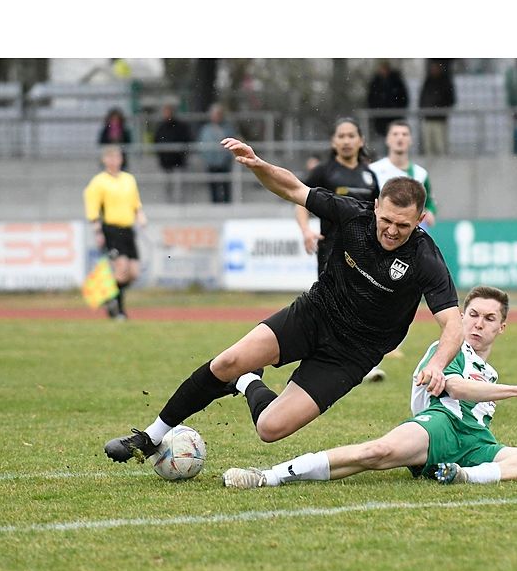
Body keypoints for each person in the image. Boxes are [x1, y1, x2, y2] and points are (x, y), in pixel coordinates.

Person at [103, 137, 463, 464]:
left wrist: (437, 364)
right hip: (316, 313)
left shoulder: (425, 258)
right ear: (375, 206)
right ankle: (151, 436)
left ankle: (246, 382)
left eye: (403, 225)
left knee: (270, 428)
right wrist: (259, 165)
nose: (391, 230)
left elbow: (453, 324)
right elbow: (292, 188)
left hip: (353, 354)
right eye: (386, 220)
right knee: (228, 360)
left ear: (420, 219)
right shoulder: (354, 215)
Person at [222, 285, 517, 489]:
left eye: (489, 319)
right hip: (438, 426)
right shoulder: (448, 349)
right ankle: (268, 476)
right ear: (461, 317)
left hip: (476, 444)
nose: (478, 324)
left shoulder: (490, 371)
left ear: (501, 328)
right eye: (472, 315)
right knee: (374, 452)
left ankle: (465, 476)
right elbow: (455, 388)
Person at [295, 117, 386, 381]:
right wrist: (306, 230)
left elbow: (380, 210)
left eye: (351, 136)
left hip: (364, 251)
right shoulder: (323, 172)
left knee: (364, 304)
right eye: (341, 136)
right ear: (334, 142)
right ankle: (321, 357)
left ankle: (362, 362)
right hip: (332, 250)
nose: (346, 141)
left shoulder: (369, 175)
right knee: (331, 305)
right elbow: (299, 199)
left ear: (361, 140)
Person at [83, 145, 147, 319]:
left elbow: (136, 203)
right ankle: (119, 311)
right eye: (110, 157)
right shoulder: (99, 182)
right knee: (121, 268)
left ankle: (109, 295)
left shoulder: (128, 179)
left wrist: (140, 216)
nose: (114, 161)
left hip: (128, 229)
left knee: (134, 273)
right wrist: (97, 231)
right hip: (111, 229)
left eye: (117, 157)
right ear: (104, 160)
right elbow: (92, 206)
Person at [369, 119, 437, 231]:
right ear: (387, 139)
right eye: (395, 134)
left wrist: (430, 211)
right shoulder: (373, 170)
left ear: (411, 140)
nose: (400, 138)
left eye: (404, 134)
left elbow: (429, 202)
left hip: (409, 231)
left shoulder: (420, 173)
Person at [153, 104, 193, 201]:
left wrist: (182, 153)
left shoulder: (180, 126)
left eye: (168, 112)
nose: (167, 114)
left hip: (179, 161)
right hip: (166, 162)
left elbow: (186, 140)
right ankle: (169, 202)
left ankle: (181, 203)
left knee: (180, 184)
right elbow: (156, 141)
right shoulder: (161, 127)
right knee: (168, 184)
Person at [198, 104, 237, 203]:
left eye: (218, 114)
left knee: (226, 186)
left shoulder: (227, 128)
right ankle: (215, 204)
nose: (216, 117)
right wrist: (209, 159)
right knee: (213, 187)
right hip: (211, 163)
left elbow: (232, 144)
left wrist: (225, 158)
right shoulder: (206, 129)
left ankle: (226, 205)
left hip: (224, 163)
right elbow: (203, 146)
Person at [419, 60, 455, 156]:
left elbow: (450, 99)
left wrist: (441, 109)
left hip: (440, 118)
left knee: (441, 145)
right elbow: (422, 98)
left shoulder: (445, 82)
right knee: (428, 146)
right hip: (428, 117)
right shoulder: (428, 81)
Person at [366, 61, 409, 137]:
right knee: (381, 139)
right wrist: (376, 111)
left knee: (395, 137)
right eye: (382, 68)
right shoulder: (375, 82)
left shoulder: (396, 81)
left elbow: (403, 98)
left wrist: (398, 111)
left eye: (385, 68)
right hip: (380, 118)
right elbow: (371, 99)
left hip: (394, 117)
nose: (384, 71)